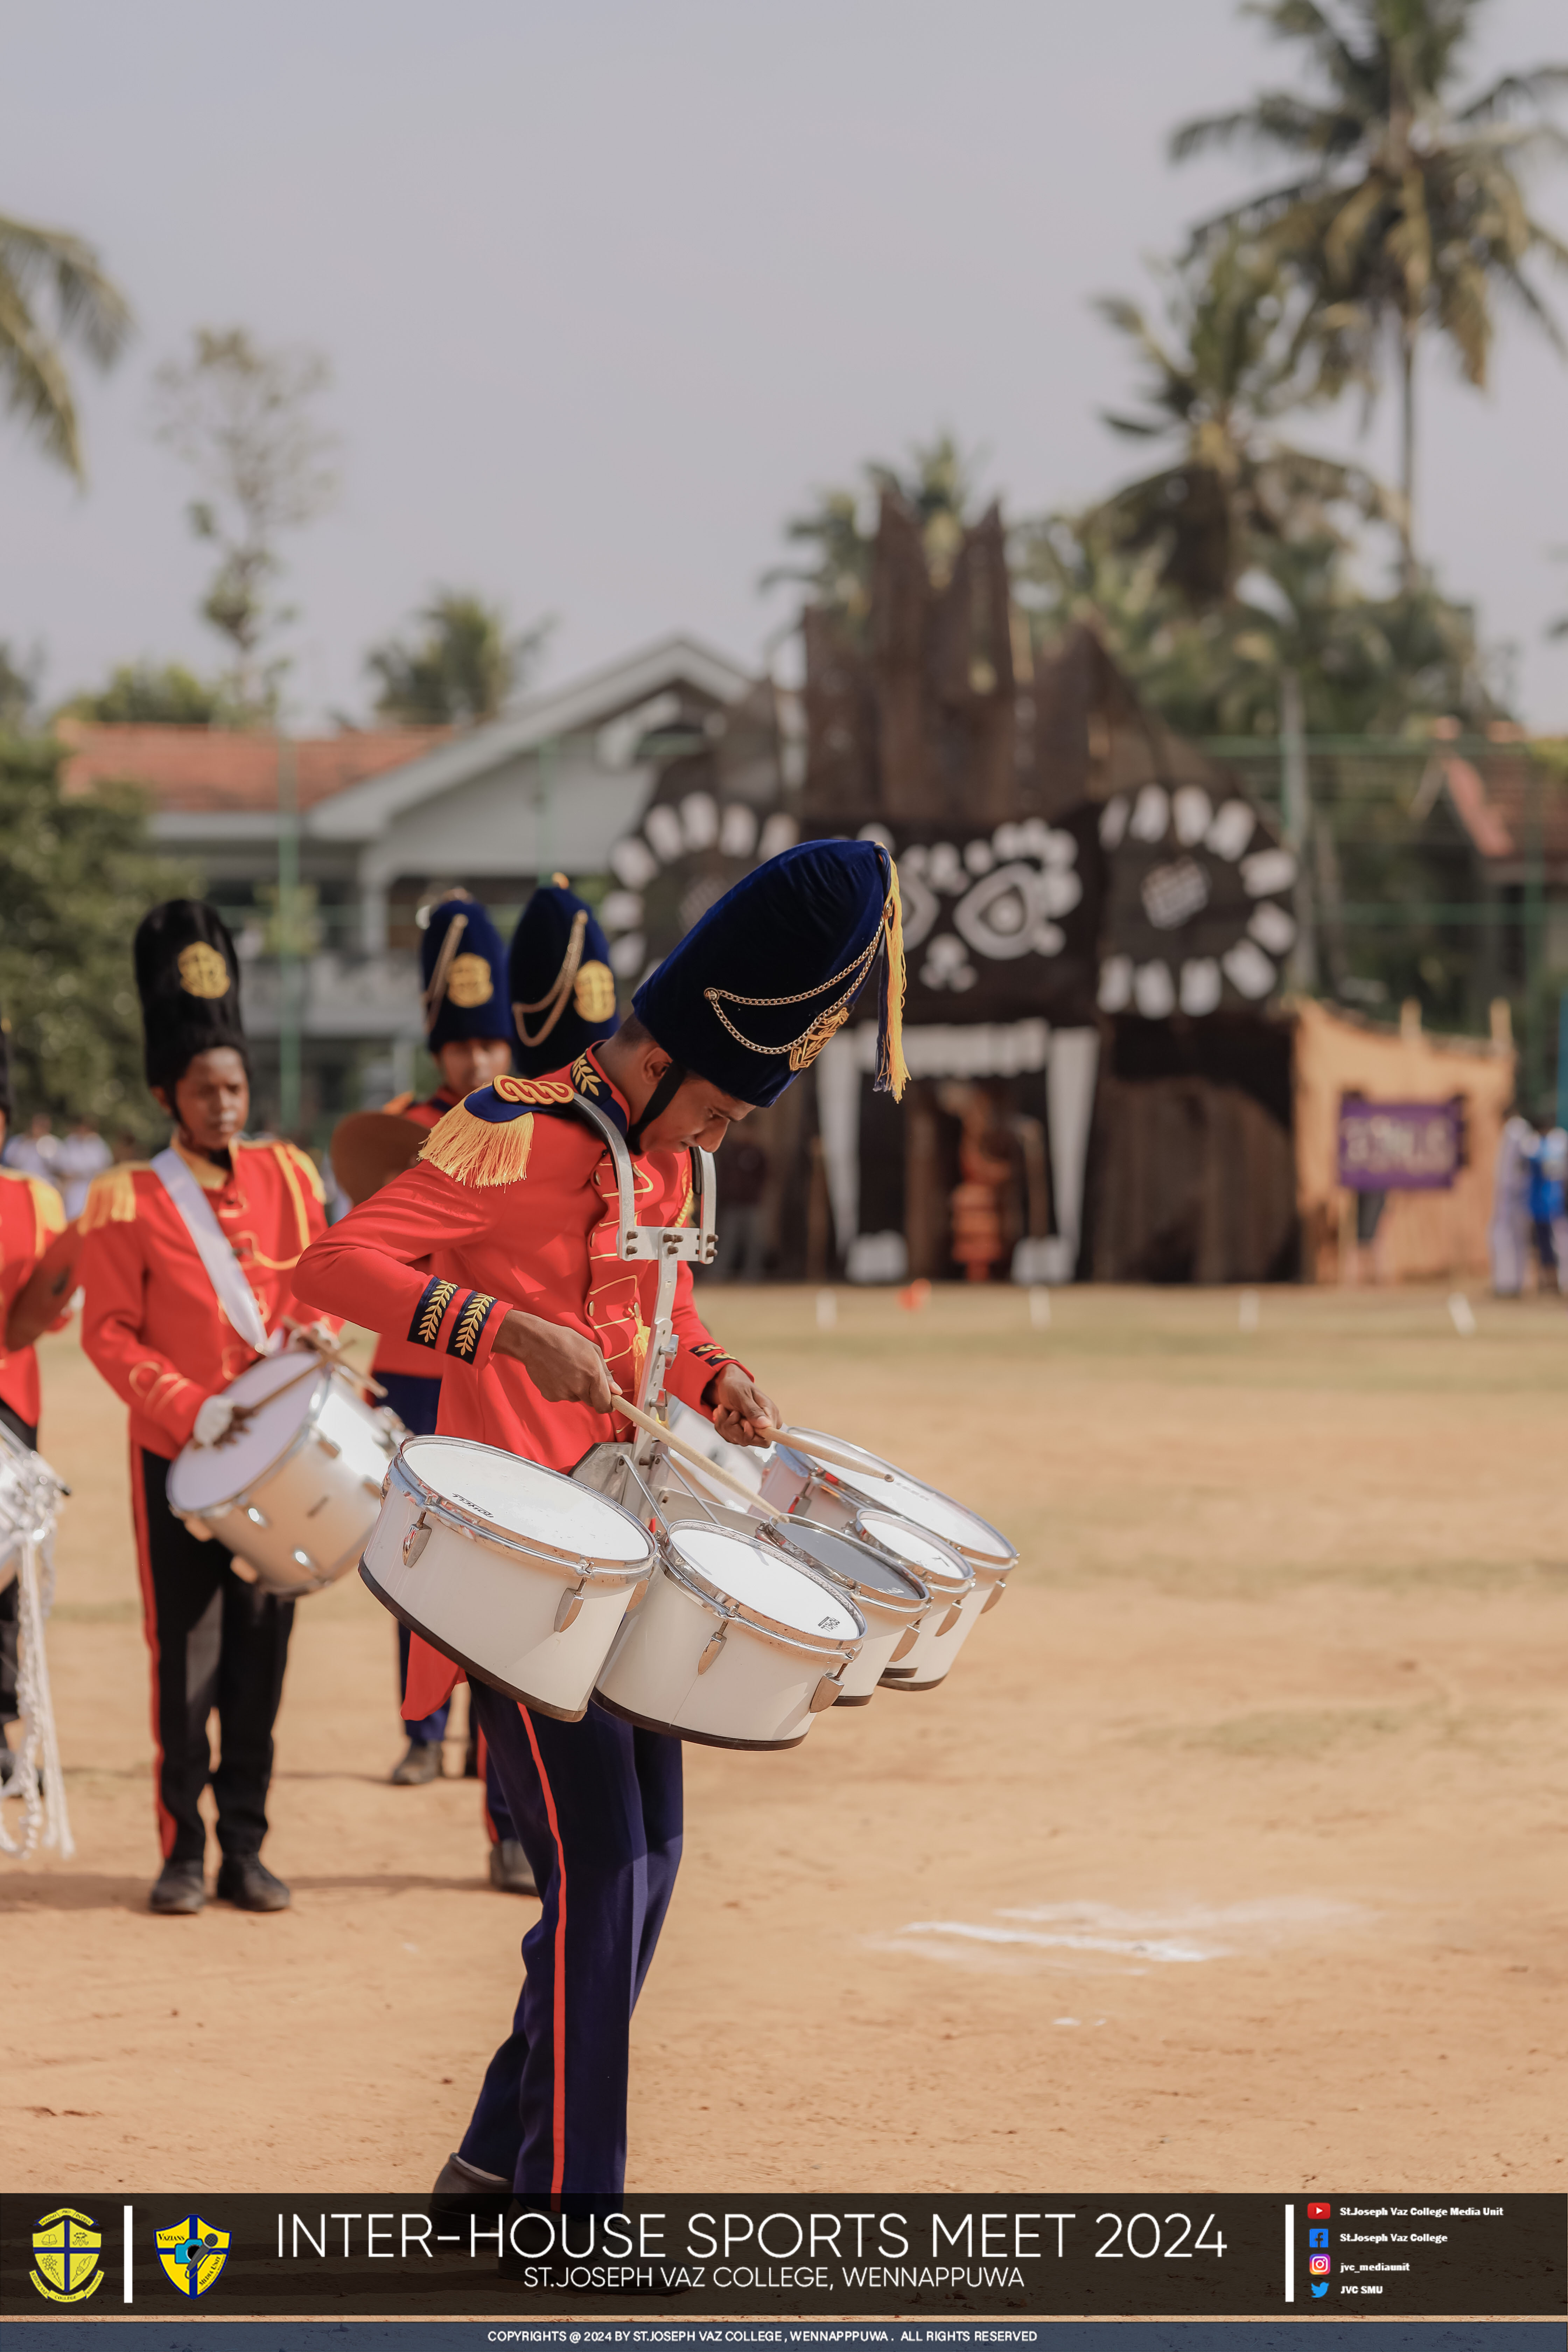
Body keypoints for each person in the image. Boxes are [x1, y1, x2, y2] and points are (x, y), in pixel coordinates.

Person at [294, 838, 907, 2204]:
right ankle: (573, 2213)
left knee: (654, 1866)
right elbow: (334, 1260)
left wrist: (716, 1376)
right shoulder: (505, 1127)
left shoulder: (670, 1166)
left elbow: (662, 1322)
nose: (726, 1133)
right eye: (725, 1109)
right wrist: (501, 1328)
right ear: (658, 1060)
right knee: (605, 1872)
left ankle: (487, 2161)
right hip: (507, 1565)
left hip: (633, 1549)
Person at [75, 901, 331, 1917]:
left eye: (235, 1087)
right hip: (178, 1459)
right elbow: (107, 1334)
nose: (225, 1105)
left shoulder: (292, 1177)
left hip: (279, 1464)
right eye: (203, 1089)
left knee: (261, 1657)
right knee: (186, 1657)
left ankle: (247, 1848)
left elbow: (320, 1281)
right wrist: (191, 1409)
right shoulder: (128, 1198)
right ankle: (182, 1850)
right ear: (166, 1093)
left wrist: (314, 1335)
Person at [371, 892, 517, 1807]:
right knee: (417, 1552)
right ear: (438, 1050)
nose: (475, 1059)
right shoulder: (396, 1124)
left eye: (489, 1043)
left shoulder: (523, 1127)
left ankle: (484, 1746)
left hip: (495, 1374)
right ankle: (421, 1731)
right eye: (461, 1045)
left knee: (500, 1561)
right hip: (412, 1374)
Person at [0, 1017, 69, 1783]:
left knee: (9, 1575)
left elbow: (50, 1307)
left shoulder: (36, 1199)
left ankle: (5, 1730)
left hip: (10, 1409)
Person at [711, 1132, 770, 1280]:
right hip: (733, 1204)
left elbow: (764, 1176)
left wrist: (756, 1194)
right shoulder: (731, 1153)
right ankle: (718, 1273)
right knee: (727, 1241)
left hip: (751, 1204)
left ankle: (752, 1274)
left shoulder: (757, 1153)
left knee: (754, 1242)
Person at [55, 1118, 112, 1222]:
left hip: (93, 1187)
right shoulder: (69, 1143)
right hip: (73, 1188)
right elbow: (63, 1170)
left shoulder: (98, 1144)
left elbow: (105, 1168)